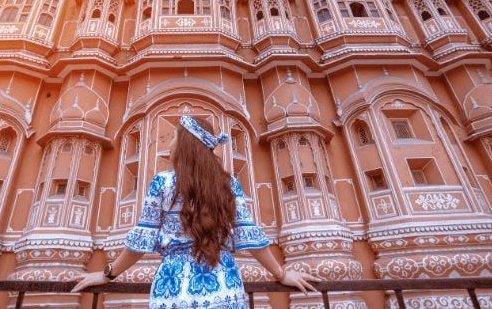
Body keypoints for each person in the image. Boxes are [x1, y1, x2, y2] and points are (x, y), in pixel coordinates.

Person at [71, 116, 318, 307]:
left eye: (173, 138)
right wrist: (281, 272)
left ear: (186, 145)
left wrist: (107, 274)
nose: (169, 144)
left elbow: (141, 240)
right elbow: (249, 235)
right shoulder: (228, 185)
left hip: (174, 288)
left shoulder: (163, 183)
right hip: (223, 285)